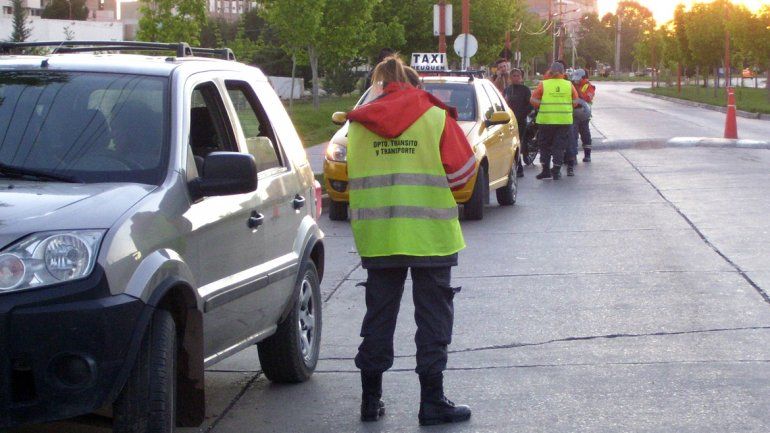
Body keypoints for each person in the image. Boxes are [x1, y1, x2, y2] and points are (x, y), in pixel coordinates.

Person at [346, 55, 475, 426]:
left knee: (379, 317)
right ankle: (432, 403)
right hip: (430, 236)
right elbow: (464, 172)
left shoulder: (359, 124)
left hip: (379, 236)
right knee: (433, 318)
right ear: (416, 86)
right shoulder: (435, 117)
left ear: (380, 86)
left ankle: (370, 401)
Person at [530, 61, 579, 180]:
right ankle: (556, 170)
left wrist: (543, 105)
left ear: (550, 72)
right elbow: (575, 101)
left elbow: (533, 100)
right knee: (559, 146)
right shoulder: (568, 85)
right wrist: (565, 107)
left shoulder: (544, 84)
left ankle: (546, 170)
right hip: (564, 121)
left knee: (545, 146)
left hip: (546, 120)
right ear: (563, 72)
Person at [503, 68, 532, 178]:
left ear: (521, 77)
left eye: (518, 76)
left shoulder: (525, 90)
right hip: (509, 121)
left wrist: (522, 114)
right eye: (514, 76)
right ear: (510, 78)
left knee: (518, 142)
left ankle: (519, 167)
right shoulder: (507, 90)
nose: (516, 78)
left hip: (520, 121)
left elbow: (530, 105)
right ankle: (514, 165)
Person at [573, 68, 595, 162]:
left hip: (584, 114)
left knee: (585, 134)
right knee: (573, 135)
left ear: (583, 77)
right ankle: (573, 156)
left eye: (578, 79)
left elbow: (587, 97)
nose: (576, 80)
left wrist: (577, 91)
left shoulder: (589, 86)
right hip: (573, 112)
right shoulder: (572, 85)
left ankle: (587, 155)